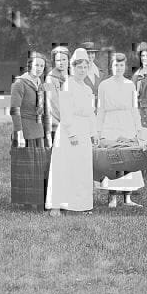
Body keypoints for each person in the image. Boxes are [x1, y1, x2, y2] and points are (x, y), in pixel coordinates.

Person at [45, 48, 98, 216]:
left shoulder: (87, 89)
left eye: (85, 67)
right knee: (65, 167)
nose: (82, 71)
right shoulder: (68, 84)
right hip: (70, 131)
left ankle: (80, 204)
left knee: (82, 168)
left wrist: (93, 132)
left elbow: (90, 113)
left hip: (84, 130)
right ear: (73, 68)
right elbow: (65, 111)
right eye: (79, 67)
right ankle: (57, 205)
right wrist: (71, 132)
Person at [96, 51, 145, 208]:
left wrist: (138, 129)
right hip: (110, 125)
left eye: (121, 65)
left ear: (125, 67)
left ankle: (127, 198)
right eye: (116, 65)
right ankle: (112, 198)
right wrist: (98, 131)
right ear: (111, 66)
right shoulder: (104, 85)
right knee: (113, 160)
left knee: (128, 160)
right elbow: (101, 110)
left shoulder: (130, 85)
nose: (118, 68)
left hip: (127, 124)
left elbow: (134, 109)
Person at [9, 50, 51, 209]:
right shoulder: (20, 83)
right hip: (24, 129)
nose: (39, 68)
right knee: (27, 168)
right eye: (36, 65)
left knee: (39, 167)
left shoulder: (41, 84)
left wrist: (47, 132)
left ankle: (38, 199)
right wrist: (18, 133)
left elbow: (45, 110)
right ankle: (27, 201)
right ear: (29, 65)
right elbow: (14, 110)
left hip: (38, 129)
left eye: (42, 65)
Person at [44, 45, 70, 141]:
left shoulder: (71, 76)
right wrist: (66, 119)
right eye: (58, 60)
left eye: (64, 59)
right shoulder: (49, 78)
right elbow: (53, 102)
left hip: (71, 121)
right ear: (54, 61)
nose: (61, 63)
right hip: (56, 122)